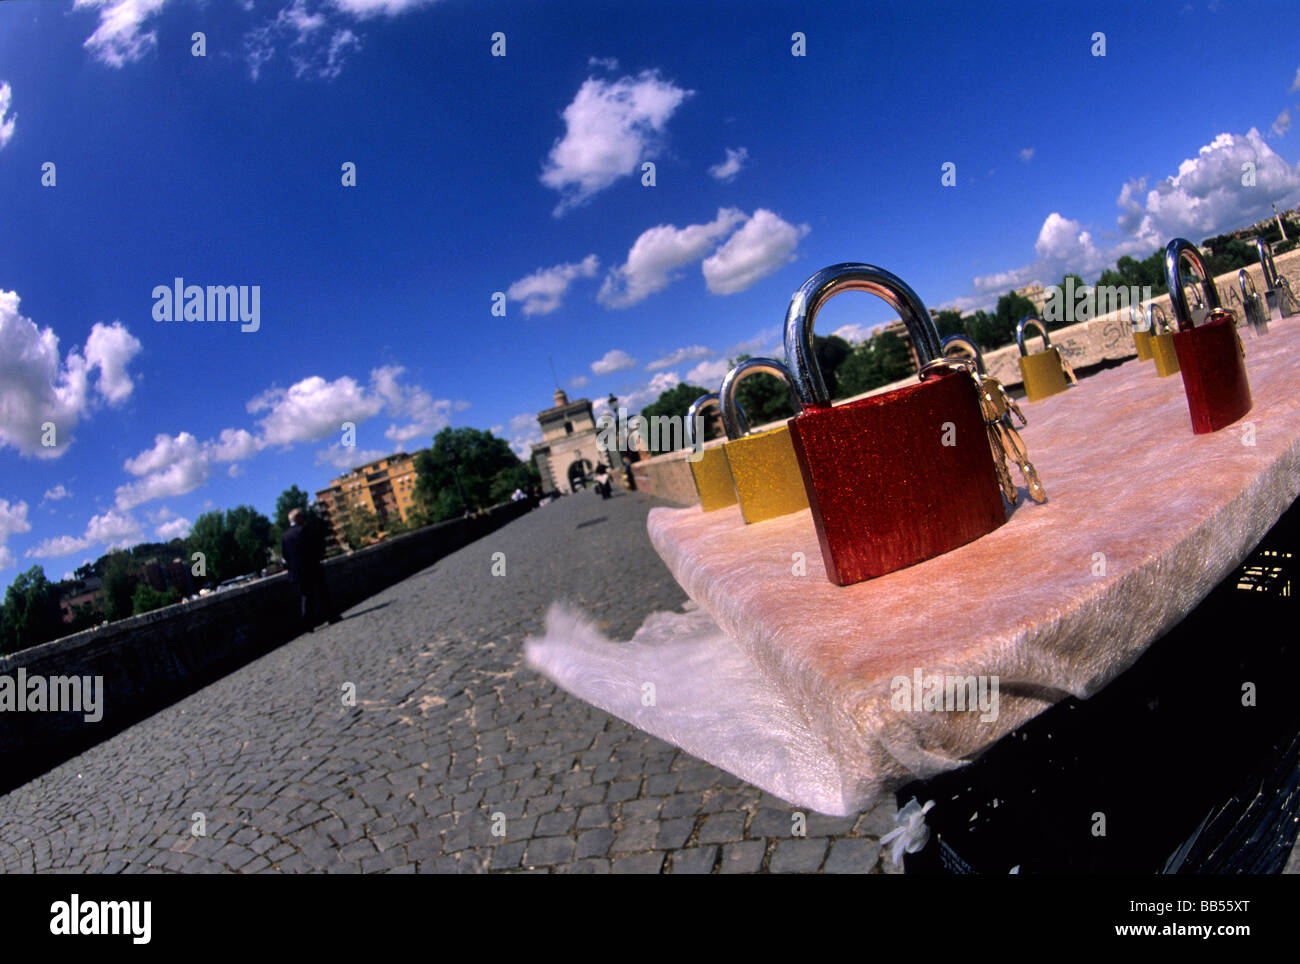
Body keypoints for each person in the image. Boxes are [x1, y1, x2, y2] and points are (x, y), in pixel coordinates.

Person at [281, 508, 340, 632]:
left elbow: (285, 556)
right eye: (302, 517)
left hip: (298, 572)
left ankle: (308, 624)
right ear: (298, 518)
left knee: (306, 596)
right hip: (312, 567)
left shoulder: (285, 536)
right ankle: (331, 616)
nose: (304, 519)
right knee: (323, 593)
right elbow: (314, 547)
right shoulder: (304, 530)